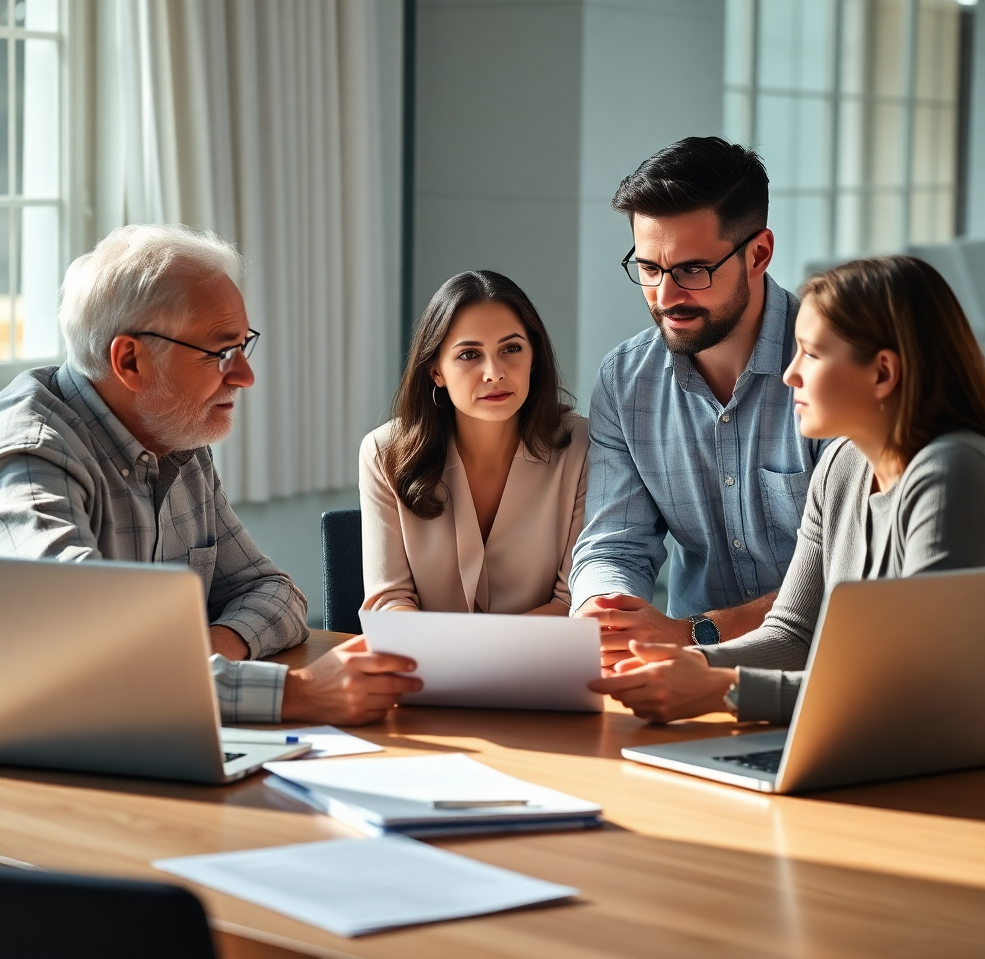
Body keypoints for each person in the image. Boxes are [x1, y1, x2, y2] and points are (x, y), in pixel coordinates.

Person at [0, 224, 420, 726]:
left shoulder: (172, 430)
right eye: (220, 352)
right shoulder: (27, 457)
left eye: (244, 345)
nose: (245, 376)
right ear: (130, 360)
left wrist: (202, 654)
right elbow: (83, 660)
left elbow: (275, 593)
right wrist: (299, 694)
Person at [594, 255, 985, 723]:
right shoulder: (840, 466)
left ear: (882, 373)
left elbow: (920, 684)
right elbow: (794, 635)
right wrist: (687, 666)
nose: (789, 374)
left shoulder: (950, 471)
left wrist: (728, 691)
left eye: (812, 354)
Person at [569, 137, 831, 668]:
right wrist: (605, 613)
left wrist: (697, 633)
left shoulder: (832, 372)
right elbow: (614, 544)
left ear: (758, 254)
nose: (665, 297)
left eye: (692, 270)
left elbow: (847, 576)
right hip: (677, 674)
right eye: (648, 269)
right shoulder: (625, 381)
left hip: (825, 672)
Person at [360, 270, 587, 614]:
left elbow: (574, 601)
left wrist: (482, 657)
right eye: (469, 354)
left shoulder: (582, 446)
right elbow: (389, 602)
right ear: (436, 370)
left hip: (542, 665)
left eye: (511, 348)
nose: (494, 372)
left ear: (534, 357)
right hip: (427, 663)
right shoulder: (384, 453)